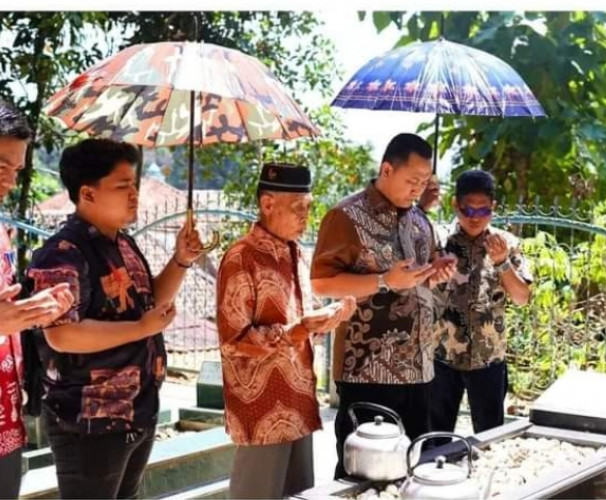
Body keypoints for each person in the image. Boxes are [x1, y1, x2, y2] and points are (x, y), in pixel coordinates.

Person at [26, 138, 203, 499]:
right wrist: (141, 328)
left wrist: (181, 260)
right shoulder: (62, 254)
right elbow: (62, 334)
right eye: (122, 186)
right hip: (90, 418)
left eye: (134, 184)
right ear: (87, 194)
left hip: (136, 407)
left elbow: (148, 300)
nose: (134, 194)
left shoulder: (123, 243)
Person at [311, 133, 456, 479]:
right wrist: (382, 281)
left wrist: (436, 270)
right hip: (368, 370)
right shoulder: (345, 216)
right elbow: (321, 282)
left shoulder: (421, 221)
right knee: (363, 473)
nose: (418, 189)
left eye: (425, 182)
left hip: (420, 369)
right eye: (412, 180)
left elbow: (419, 277)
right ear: (387, 169)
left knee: (414, 470)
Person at [217, 163, 355, 499]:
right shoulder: (240, 258)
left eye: (308, 208)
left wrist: (324, 322)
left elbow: (299, 325)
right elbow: (233, 341)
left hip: (298, 402)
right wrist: (298, 330)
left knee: (298, 495)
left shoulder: (296, 253)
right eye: (298, 209)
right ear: (267, 204)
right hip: (260, 408)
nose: (305, 217)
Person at [0, 100, 73, 499]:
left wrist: (34, 310)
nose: (10, 182)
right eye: (1, 167)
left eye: (16, 170)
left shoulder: (1, 231)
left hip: (7, 424)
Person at [431, 170, 533, 437]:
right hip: (442, 357)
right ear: (455, 205)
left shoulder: (508, 244)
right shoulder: (437, 242)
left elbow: (522, 298)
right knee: (433, 441)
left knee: (490, 440)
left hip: (488, 359)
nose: (475, 218)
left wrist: (502, 263)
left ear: (493, 208)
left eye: (483, 211)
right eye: (468, 210)